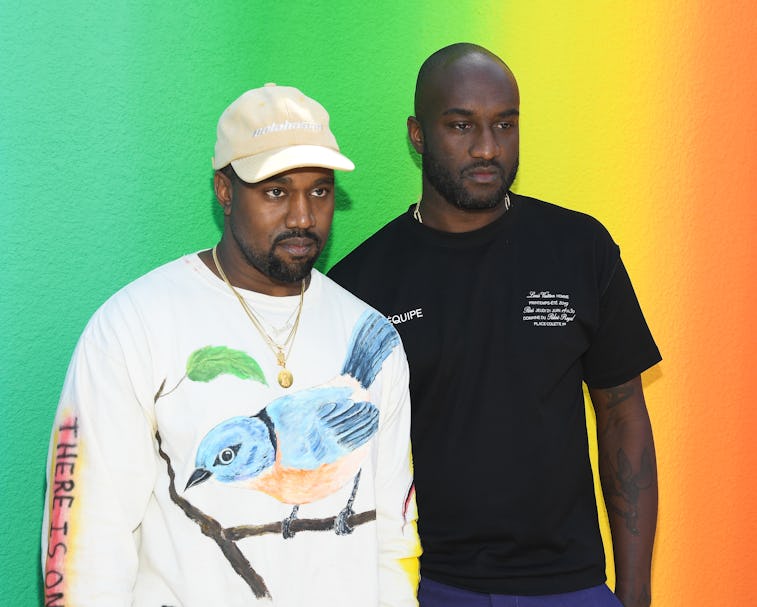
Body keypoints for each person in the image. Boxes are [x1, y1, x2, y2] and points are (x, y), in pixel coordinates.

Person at [42, 83, 420, 607]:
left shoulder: (369, 331)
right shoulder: (134, 325)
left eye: (320, 190)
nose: (303, 217)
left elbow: (393, 536)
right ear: (224, 190)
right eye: (274, 191)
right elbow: (88, 546)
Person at [328, 43, 660, 607]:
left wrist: (634, 594)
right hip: (423, 584)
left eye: (505, 125)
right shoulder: (360, 285)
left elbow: (623, 412)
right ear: (417, 134)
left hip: (570, 586)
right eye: (462, 126)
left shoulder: (579, 248)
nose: (488, 147)